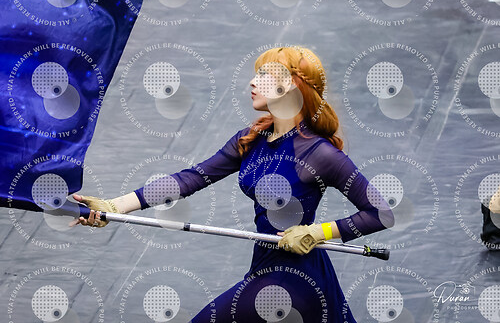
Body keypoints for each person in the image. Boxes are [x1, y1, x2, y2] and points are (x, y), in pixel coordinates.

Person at [72, 46, 394, 322]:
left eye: (264, 75)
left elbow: (380, 213)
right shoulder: (252, 139)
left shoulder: (318, 153)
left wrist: (317, 231)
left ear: (291, 85)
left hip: (295, 279)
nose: (253, 82)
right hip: (264, 267)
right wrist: (115, 206)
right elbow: (191, 178)